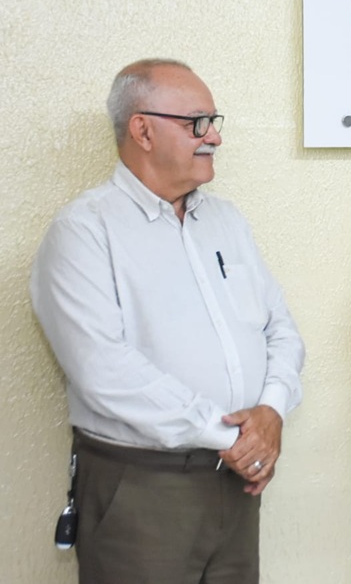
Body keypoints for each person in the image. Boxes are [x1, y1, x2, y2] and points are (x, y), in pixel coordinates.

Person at [30, 58, 305, 583]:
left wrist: (271, 410)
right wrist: (233, 438)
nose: (214, 138)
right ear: (143, 130)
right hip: (143, 488)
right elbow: (101, 369)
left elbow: (280, 330)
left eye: (213, 122)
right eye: (197, 123)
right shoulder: (85, 231)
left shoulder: (226, 221)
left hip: (237, 485)